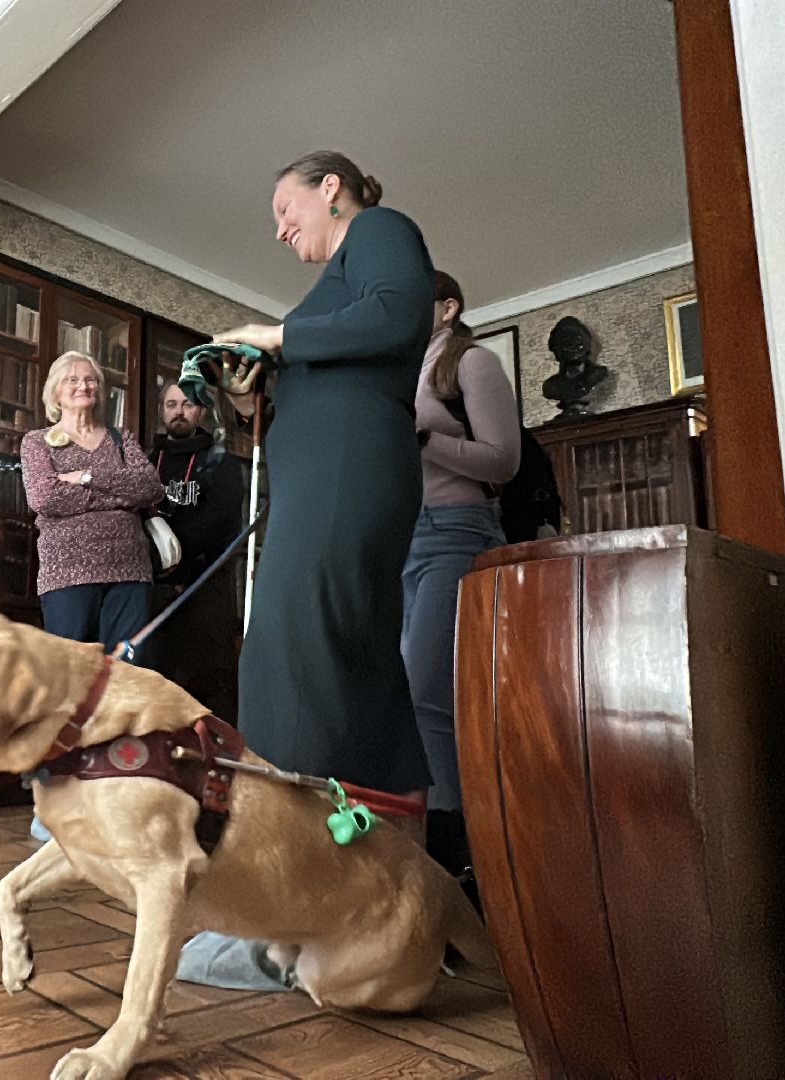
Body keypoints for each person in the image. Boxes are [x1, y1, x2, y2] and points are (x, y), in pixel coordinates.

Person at [177, 150, 436, 991]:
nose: (282, 229)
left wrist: (275, 336)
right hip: (328, 476)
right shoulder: (330, 292)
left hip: (346, 476)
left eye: (286, 207)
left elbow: (401, 316)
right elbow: (339, 367)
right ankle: (379, 880)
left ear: (332, 187)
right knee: (334, 653)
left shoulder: (383, 230)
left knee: (295, 653)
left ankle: (285, 919)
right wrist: (260, 393)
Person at [406, 270, 519, 884]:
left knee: (428, 691)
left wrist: (423, 437)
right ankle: (426, 843)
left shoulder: (470, 364)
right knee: (407, 692)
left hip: (456, 530)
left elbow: (503, 460)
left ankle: (458, 862)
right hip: (399, 540)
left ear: (447, 308)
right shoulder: (395, 374)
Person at [20, 351, 164, 653]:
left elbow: (150, 488)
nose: (83, 386)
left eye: (90, 380)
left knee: (128, 676)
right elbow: (44, 498)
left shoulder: (120, 438)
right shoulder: (37, 441)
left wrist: (86, 476)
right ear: (56, 390)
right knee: (71, 676)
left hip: (129, 571)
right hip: (67, 574)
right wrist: (119, 497)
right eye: (72, 380)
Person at [146, 382, 248, 723]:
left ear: (200, 411)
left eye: (187, 404)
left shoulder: (221, 464)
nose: (179, 411)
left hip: (203, 590)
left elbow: (220, 525)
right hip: (154, 592)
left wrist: (181, 569)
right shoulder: (145, 463)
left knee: (209, 696)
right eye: (171, 404)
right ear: (161, 411)